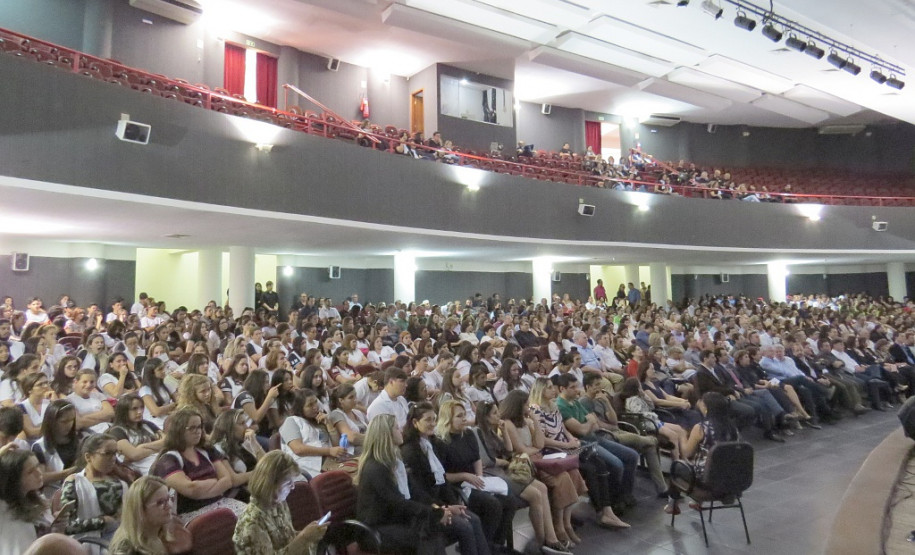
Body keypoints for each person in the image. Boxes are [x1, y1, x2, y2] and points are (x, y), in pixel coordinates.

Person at [528, 378, 628, 529]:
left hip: (566, 446)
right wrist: (566, 444)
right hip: (553, 450)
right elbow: (543, 441)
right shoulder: (536, 410)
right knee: (591, 468)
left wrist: (571, 439)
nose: (553, 390)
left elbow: (562, 428)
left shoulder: (552, 405)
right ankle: (602, 512)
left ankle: (607, 511)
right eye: (549, 388)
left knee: (599, 462)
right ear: (540, 390)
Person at [475, 401, 569, 554]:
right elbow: (486, 460)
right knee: (535, 494)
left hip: (504, 471)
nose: (499, 415)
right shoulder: (478, 433)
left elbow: (508, 450)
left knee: (542, 487)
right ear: (485, 417)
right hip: (494, 475)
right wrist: (504, 461)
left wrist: (503, 431)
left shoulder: (492, 431)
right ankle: (541, 542)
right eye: (494, 413)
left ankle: (551, 538)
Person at [400, 402, 491, 555]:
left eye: (434, 419)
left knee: (472, 519)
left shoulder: (434, 444)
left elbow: (442, 481)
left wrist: (455, 505)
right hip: (428, 508)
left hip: (441, 502)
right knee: (465, 526)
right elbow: (419, 491)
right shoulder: (410, 451)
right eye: (428, 420)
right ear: (415, 423)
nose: (433, 424)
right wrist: (445, 508)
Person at [356, 414, 448, 554]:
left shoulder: (395, 461)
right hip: (377, 527)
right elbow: (396, 502)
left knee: (431, 528)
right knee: (426, 534)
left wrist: (438, 507)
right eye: (397, 428)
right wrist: (433, 513)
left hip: (394, 519)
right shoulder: (375, 467)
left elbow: (414, 491)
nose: (401, 430)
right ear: (386, 434)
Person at [434, 400, 516, 552]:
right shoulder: (441, 442)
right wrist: (465, 476)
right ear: (448, 419)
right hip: (456, 487)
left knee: (510, 500)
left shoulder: (469, 434)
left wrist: (479, 477)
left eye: (464, 414)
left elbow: (476, 459)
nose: (464, 418)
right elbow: (443, 476)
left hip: (474, 481)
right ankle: (485, 545)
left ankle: (495, 543)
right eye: (459, 416)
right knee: (493, 504)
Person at [150, 407, 245, 522]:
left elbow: (227, 480)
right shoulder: (168, 460)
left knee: (251, 517)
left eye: (199, 427)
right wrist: (215, 482)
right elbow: (190, 489)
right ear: (179, 430)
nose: (198, 431)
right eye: (192, 428)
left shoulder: (207, 450)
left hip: (221, 503)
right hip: (191, 513)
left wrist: (200, 488)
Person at [233, 450, 328, 555]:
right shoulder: (251, 523)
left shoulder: (278, 503)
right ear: (270, 485)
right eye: (288, 482)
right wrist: (304, 537)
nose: (293, 487)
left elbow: (287, 540)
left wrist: (309, 535)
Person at [664, 392, 740, 515]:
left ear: (706, 409)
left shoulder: (701, 428)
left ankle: (672, 506)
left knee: (676, 467)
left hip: (707, 480)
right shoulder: (733, 428)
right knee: (708, 460)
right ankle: (700, 502)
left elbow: (687, 453)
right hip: (730, 477)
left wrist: (683, 436)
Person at [59, 433, 127, 539]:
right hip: (84, 544)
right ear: (88, 457)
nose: (113, 458)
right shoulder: (75, 482)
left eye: (115, 453)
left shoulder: (120, 484)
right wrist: (102, 521)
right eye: (107, 453)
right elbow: (66, 526)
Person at [109, 475, 193, 555]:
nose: (169, 506)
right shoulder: (126, 549)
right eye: (160, 502)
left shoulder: (165, 531)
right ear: (140, 510)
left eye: (169, 499)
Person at [279, 389, 345, 479]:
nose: (315, 407)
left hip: (329, 463)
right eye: (310, 405)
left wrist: (329, 425)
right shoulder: (292, 421)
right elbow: (298, 449)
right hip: (305, 467)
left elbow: (336, 445)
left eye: (315, 402)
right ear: (300, 408)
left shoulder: (319, 420)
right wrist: (329, 451)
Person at [0, 448, 51, 555]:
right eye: (30, 472)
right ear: (14, 479)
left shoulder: (34, 498)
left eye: (37, 466)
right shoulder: (3, 506)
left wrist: (57, 524)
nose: (39, 473)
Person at [109, 393, 164, 476]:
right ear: (124, 411)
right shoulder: (117, 431)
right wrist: (158, 448)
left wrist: (142, 447)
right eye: (134, 409)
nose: (139, 412)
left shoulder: (147, 424)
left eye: (141, 407)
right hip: (144, 468)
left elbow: (168, 440)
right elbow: (134, 455)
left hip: (161, 458)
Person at [32, 400, 79, 491]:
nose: (69, 425)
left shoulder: (79, 439)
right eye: (64, 421)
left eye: (72, 420)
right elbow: (41, 477)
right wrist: (72, 471)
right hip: (54, 492)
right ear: (52, 422)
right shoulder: (40, 446)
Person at [67, 369, 114, 434]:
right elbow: (78, 423)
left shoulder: (98, 395)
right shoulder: (69, 400)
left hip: (108, 428)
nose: (88, 385)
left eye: (92, 382)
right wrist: (104, 417)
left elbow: (110, 412)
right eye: (85, 382)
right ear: (76, 382)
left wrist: (83, 417)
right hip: (88, 433)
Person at [327, 384, 367, 456]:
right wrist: (373, 438)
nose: (355, 399)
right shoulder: (336, 414)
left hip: (367, 448)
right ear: (341, 400)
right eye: (351, 397)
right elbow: (350, 437)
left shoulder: (357, 412)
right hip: (353, 453)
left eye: (355, 396)